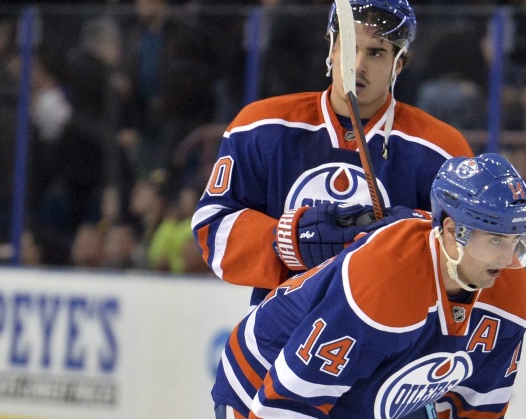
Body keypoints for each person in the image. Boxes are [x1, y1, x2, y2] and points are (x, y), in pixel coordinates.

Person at [211, 153, 526, 418]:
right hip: (265, 374)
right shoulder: (386, 280)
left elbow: (479, 408)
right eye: (496, 239)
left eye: (517, 238)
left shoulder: (511, 291)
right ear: (452, 232)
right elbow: (287, 404)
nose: (509, 258)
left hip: (370, 390)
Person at [192, 0, 473, 307]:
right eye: (349, 47)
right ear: (332, 49)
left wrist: (411, 236)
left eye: (376, 52)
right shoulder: (261, 128)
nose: (358, 65)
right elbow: (212, 227)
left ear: (399, 63)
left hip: (388, 344)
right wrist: (288, 240)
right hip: (280, 335)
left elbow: (470, 255)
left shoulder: (441, 150)